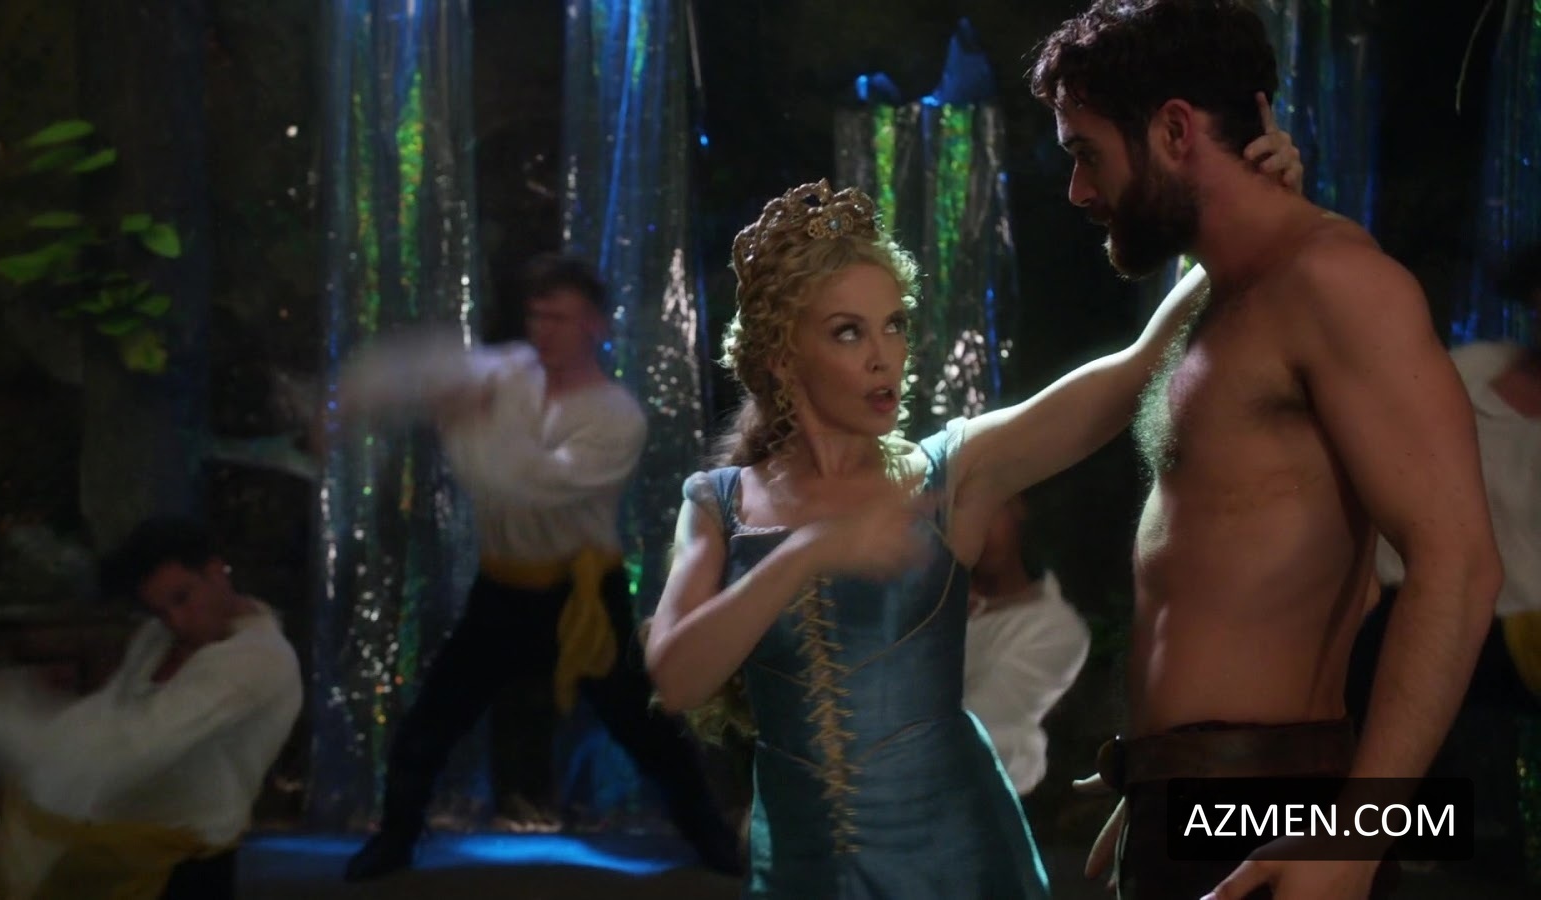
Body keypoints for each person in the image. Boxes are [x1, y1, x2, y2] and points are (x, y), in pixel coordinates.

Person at [644, 117, 1300, 897]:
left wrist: (1251, 210)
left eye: (893, 325)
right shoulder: (718, 504)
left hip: (954, 862)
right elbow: (677, 680)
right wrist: (810, 551)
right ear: (783, 356)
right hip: (801, 872)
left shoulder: (950, 473)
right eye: (848, 333)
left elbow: (1134, 371)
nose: (884, 356)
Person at [1029, 2, 1504, 898]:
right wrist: (1165, 777)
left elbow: (1461, 565)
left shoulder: (1337, 284)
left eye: (1087, 153)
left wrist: (1356, 836)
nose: (1080, 192)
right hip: (1198, 807)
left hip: (1283, 812)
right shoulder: (1217, 297)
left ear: (1174, 130)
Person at [341, 254, 741, 881]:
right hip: (504, 587)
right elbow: (415, 370)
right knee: (433, 719)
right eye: (537, 316)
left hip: (583, 592)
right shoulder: (509, 372)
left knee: (646, 730)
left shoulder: (616, 416)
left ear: (595, 325)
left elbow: (529, 486)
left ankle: (711, 839)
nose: (545, 330)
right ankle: (394, 839)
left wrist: (465, 422)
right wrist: (340, 405)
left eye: (562, 317)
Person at [0, 516, 303, 900]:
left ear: (216, 572)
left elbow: (135, 745)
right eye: (161, 611)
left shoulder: (258, 661)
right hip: (117, 844)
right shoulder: (156, 638)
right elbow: (110, 716)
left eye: (182, 598)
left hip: (186, 862)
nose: (176, 621)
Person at [1348, 241, 1541, 877]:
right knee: (1376, 648)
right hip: (1431, 601)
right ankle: (1390, 836)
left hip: (1527, 630)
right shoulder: (1468, 374)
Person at [962, 496, 1090, 797]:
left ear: (1016, 504)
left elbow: (980, 733)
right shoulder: (919, 603)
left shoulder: (1055, 629)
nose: (976, 528)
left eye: (986, 508)